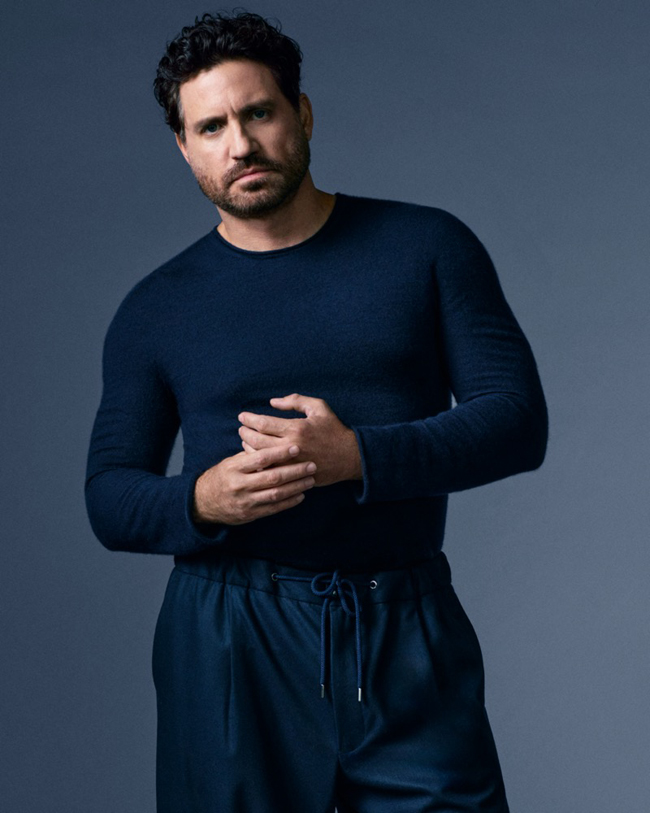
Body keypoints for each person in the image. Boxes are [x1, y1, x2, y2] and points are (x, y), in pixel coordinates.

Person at [85, 10, 548, 813]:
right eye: (211, 127)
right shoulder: (155, 308)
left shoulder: (427, 247)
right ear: (185, 146)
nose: (240, 145)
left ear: (301, 113)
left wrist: (358, 456)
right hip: (230, 635)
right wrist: (201, 499)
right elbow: (109, 494)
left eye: (258, 113)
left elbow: (516, 420)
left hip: (402, 623)